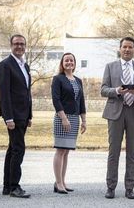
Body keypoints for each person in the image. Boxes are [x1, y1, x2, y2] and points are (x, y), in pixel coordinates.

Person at [101, 37, 134, 200]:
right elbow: (103, 90)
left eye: (130, 47)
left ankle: (130, 188)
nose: (127, 50)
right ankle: (111, 187)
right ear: (120, 49)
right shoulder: (110, 66)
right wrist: (116, 90)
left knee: (132, 152)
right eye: (125, 47)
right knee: (113, 151)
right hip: (115, 112)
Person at [0, 34, 32, 198]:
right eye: (16, 44)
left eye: (22, 44)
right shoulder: (5, 65)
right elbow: (4, 94)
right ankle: (14, 186)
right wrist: (8, 117)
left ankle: (6, 186)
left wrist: (29, 115)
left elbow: (26, 92)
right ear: (11, 45)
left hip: (23, 115)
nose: (19, 46)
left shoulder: (25, 66)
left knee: (12, 149)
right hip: (13, 116)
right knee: (18, 149)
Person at [51, 52, 87, 194]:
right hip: (62, 118)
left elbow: (81, 101)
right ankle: (58, 183)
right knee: (60, 150)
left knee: (66, 152)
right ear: (62, 63)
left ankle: (62, 181)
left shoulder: (78, 80)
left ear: (74, 63)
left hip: (74, 118)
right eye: (66, 60)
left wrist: (84, 120)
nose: (69, 63)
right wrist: (64, 118)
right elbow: (56, 100)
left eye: (71, 60)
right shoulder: (57, 79)